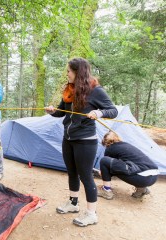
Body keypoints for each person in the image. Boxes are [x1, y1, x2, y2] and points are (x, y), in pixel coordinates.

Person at [45, 57, 118, 227]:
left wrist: (98, 113)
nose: (67, 74)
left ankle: (92, 214)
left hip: (85, 141)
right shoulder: (69, 90)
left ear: (78, 72)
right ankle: (73, 203)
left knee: (86, 176)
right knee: (72, 173)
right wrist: (52, 111)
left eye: (69, 71)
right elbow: (62, 113)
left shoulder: (95, 90)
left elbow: (113, 110)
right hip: (68, 138)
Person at [97, 131, 159, 200]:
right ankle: (141, 189)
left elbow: (107, 166)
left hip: (142, 179)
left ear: (105, 143)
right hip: (154, 177)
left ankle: (106, 190)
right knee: (130, 167)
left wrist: (102, 171)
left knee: (104, 160)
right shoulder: (126, 145)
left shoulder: (110, 148)